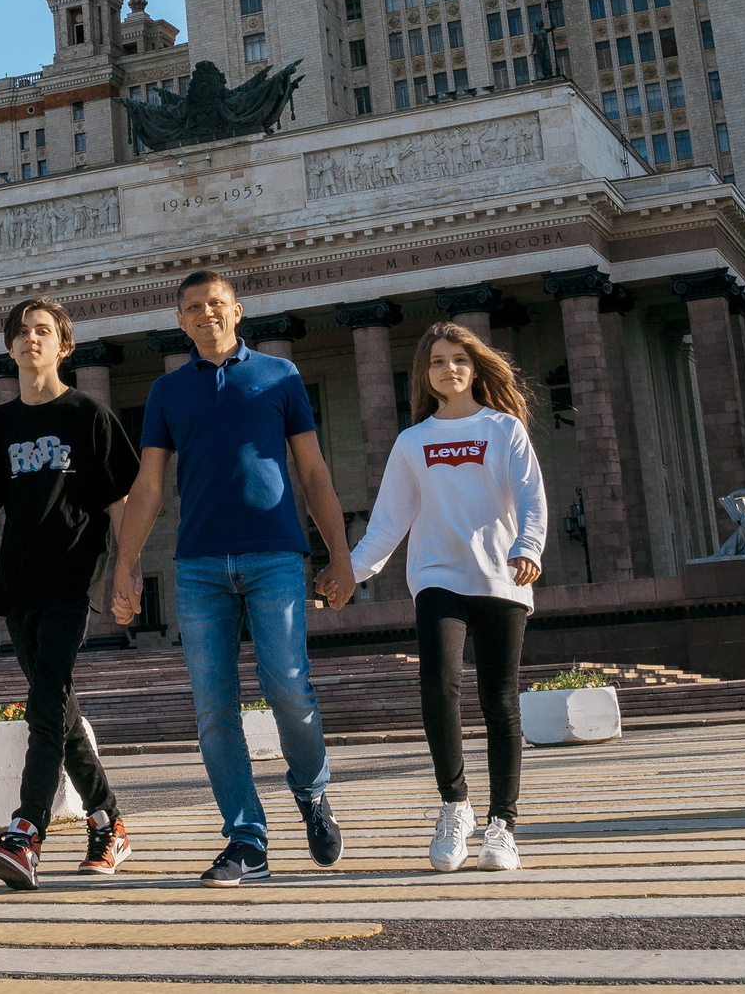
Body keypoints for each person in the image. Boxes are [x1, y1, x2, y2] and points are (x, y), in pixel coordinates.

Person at [110, 271, 356, 886]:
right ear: (181, 321)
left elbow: (314, 471)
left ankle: (311, 789)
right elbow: (148, 486)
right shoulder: (168, 393)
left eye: (215, 304)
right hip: (198, 568)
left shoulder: (280, 376)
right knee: (214, 708)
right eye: (193, 308)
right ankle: (247, 839)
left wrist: (341, 556)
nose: (206, 315)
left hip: (275, 556)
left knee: (289, 688)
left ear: (238, 311)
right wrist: (125, 563)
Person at [0, 297, 140, 889]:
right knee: (59, 711)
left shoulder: (88, 416)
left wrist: (127, 570)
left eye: (42, 331)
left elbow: (120, 502)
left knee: (45, 704)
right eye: (20, 333)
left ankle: (26, 833)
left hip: (72, 580)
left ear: (63, 345)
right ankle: (108, 823)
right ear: (10, 348)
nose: (30, 340)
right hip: (17, 587)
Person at [347, 321, 549, 875]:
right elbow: (389, 522)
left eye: (459, 359)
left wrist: (529, 547)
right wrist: (350, 574)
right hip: (437, 576)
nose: (449, 369)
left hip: (501, 578)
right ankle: (455, 806)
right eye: (437, 361)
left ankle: (502, 824)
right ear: (425, 374)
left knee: (500, 701)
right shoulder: (413, 442)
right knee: (438, 683)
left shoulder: (504, 429)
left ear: (475, 367)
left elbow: (532, 497)